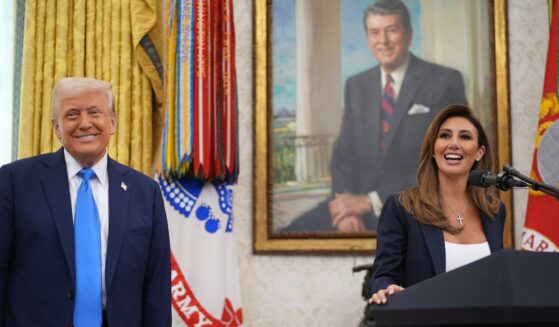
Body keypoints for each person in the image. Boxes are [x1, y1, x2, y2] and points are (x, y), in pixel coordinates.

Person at [283, 0, 467, 232]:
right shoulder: (356, 85)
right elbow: (343, 155)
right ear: (367, 38)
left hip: (414, 207)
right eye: (374, 32)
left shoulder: (443, 81)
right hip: (356, 204)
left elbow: (448, 161)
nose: (383, 41)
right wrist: (345, 208)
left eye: (392, 30)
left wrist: (371, 201)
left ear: (409, 35)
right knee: (289, 233)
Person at [0, 77, 171, 326]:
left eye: (95, 112)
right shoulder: (14, 182)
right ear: (56, 127)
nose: (84, 123)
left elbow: (156, 288)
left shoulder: (146, 193)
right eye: (71, 115)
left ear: (112, 122)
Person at [368, 104, 506, 305]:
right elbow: (383, 277)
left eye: (465, 137)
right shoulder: (402, 207)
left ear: (479, 152)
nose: (454, 144)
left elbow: (497, 281)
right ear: (433, 149)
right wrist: (386, 289)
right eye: (445, 136)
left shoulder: (494, 211)